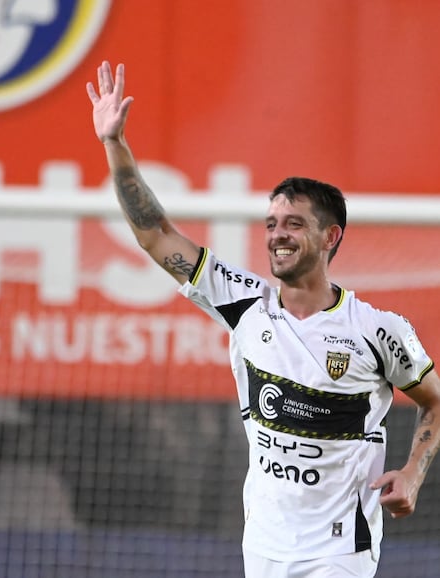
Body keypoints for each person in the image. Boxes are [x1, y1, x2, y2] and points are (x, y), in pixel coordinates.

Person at [86, 60, 440, 577]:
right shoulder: (244, 304)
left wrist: (412, 472)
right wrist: (114, 144)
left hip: (341, 551)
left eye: (294, 224)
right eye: (272, 223)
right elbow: (154, 234)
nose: (277, 235)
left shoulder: (377, 330)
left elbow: (434, 400)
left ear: (330, 237)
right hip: (265, 547)